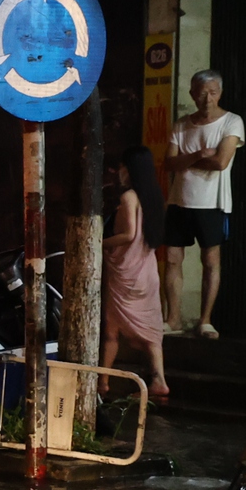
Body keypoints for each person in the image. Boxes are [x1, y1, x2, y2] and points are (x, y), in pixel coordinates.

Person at [162, 69, 244, 338]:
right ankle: (173, 319)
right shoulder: (182, 124)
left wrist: (186, 159)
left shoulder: (232, 122)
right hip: (178, 201)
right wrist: (198, 154)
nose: (207, 98)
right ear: (192, 94)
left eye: (212, 92)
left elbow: (221, 162)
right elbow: (168, 163)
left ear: (220, 93)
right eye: (201, 92)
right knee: (172, 260)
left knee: (210, 261)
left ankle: (205, 320)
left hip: (213, 203)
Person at [102, 145, 169, 400]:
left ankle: (102, 382)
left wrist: (99, 241)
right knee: (152, 331)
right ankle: (159, 380)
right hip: (147, 271)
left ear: (128, 170)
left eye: (121, 166)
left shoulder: (129, 197)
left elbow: (128, 234)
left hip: (127, 274)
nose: (118, 171)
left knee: (112, 331)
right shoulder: (153, 197)